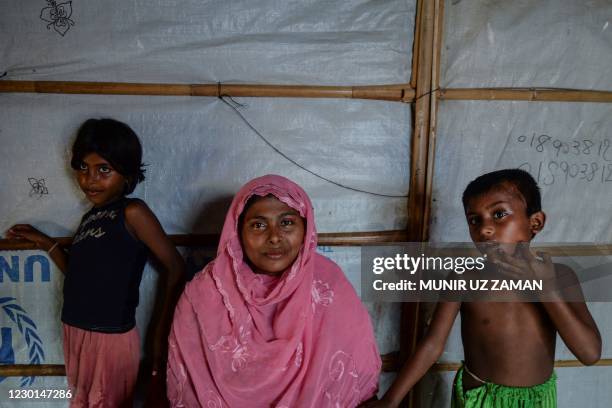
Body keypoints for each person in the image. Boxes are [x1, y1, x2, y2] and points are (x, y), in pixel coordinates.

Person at [363, 169, 601, 408]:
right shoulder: (463, 277)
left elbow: (589, 354)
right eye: (475, 220)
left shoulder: (560, 277)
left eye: (499, 214)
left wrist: (546, 289)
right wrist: (391, 400)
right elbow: (433, 344)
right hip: (480, 398)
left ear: (535, 222)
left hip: (539, 401)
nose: (485, 229)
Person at [7, 118, 184, 407]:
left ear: (126, 173)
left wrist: (159, 333)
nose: (90, 179)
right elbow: (79, 273)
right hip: (75, 330)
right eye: (83, 168)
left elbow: (175, 266)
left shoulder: (132, 212)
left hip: (110, 338)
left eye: (104, 169)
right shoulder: (90, 218)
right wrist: (43, 241)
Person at [167, 174, 381, 407]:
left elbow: (359, 385)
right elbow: (188, 387)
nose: (275, 237)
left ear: (306, 228)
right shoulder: (205, 292)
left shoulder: (328, 285)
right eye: (258, 225)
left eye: (287, 222)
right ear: (237, 233)